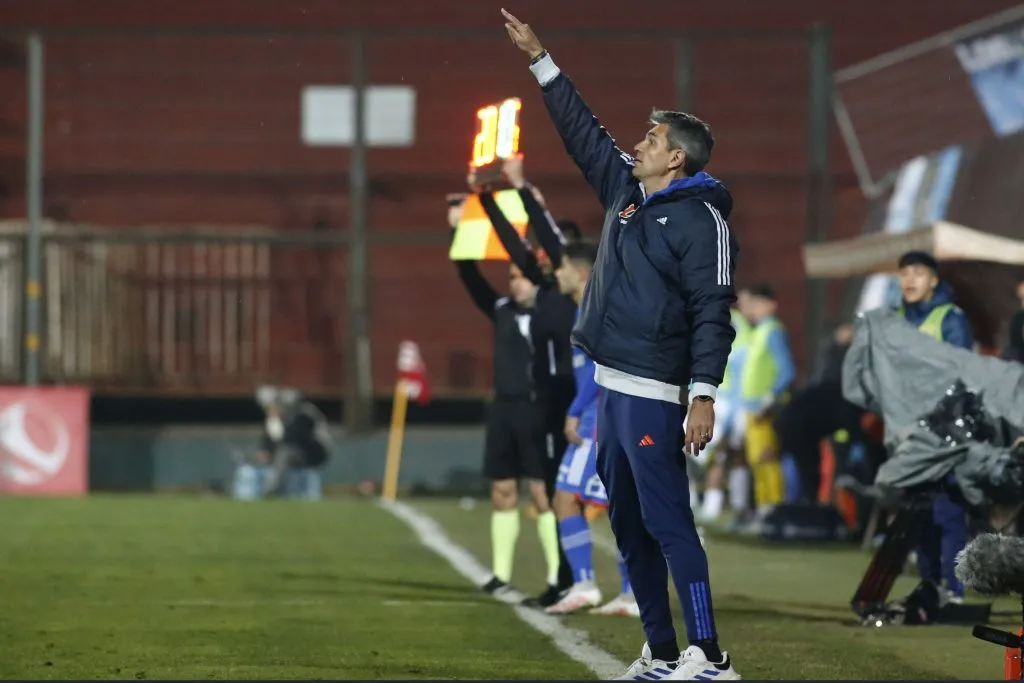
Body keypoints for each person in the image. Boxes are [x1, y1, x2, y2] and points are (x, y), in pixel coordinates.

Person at [503, 9, 741, 680]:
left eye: (652, 138)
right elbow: (584, 133)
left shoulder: (703, 220)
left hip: (656, 393)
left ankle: (710, 655)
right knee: (629, 528)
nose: (639, 144)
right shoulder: (627, 194)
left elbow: (713, 312)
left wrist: (703, 395)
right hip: (611, 386)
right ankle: (662, 651)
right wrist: (542, 61)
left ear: (677, 157)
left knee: (669, 524)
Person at [475, 165, 579, 606]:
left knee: (569, 493)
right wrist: (486, 198)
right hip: (552, 404)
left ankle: (589, 583)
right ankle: (567, 581)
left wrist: (520, 187)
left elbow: (546, 237)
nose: (543, 259)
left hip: (578, 400)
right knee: (556, 492)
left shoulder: (577, 293)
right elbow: (516, 245)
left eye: (553, 255)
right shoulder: (547, 290)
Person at [448, 198, 558, 598]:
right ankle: (500, 574)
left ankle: (557, 577)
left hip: (538, 410)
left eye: (522, 276)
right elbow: (469, 273)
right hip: (504, 409)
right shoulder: (501, 309)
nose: (516, 283)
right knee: (502, 491)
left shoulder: (553, 312)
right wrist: (457, 230)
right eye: (511, 277)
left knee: (543, 493)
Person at [543, 240, 639, 617]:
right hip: (599, 416)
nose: (557, 274)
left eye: (563, 267)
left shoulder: (595, 308)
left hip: (599, 419)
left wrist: (575, 409)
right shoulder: (587, 307)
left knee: (577, 499)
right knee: (591, 500)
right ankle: (621, 591)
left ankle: (601, 588)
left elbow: (602, 366)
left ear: (581, 272)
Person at [895, 250, 973, 602]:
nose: (909, 280)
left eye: (918, 273)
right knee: (918, 512)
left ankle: (953, 590)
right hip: (907, 433)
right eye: (904, 273)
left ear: (934, 280)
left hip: (945, 430)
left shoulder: (950, 319)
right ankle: (929, 586)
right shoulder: (895, 319)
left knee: (947, 512)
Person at [737, 284, 796, 524]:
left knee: (767, 458)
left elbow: (787, 371)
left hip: (765, 409)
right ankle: (764, 509)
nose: (754, 308)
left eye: (759, 303)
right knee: (757, 460)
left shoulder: (773, 331)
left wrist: (768, 400)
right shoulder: (759, 331)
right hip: (752, 408)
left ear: (772, 305)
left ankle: (774, 509)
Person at [697, 288, 753, 523]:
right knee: (707, 450)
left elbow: (742, 362)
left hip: (728, 399)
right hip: (707, 394)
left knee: (727, 452)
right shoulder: (700, 316)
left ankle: (726, 505)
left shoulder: (737, 323)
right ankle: (705, 501)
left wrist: (739, 403)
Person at [233, 385, 331, 500]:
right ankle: (249, 491)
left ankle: (272, 489)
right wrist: (265, 451)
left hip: (313, 452)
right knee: (261, 455)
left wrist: (276, 426)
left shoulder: (305, 413)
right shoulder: (279, 418)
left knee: (285, 454)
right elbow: (270, 441)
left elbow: (295, 439)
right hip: (294, 450)